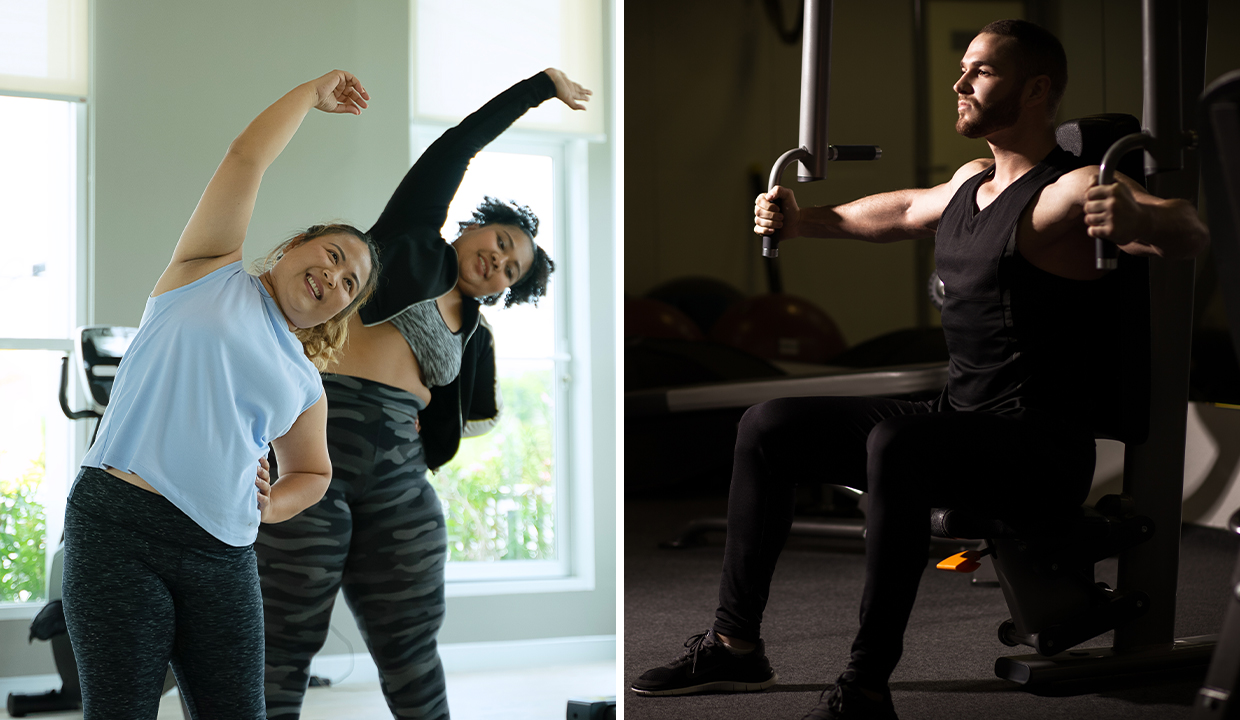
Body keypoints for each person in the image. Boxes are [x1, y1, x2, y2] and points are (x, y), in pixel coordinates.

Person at [630, 19, 1207, 720]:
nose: (960, 83)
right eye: (961, 68)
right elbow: (900, 210)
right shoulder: (972, 182)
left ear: (1036, 90)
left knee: (895, 444)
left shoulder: (1070, 187)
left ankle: (867, 685)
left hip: (1037, 449)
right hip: (961, 425)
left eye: (982, 72)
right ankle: (735, 645)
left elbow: (1186, 227)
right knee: (768, 424)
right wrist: (804, 220)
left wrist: (1135, 218)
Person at [256, 68, 590, 720]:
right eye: (500, 242)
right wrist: (541, 87)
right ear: (473, 229)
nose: (499, 260)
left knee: (410, 651)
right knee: (282, 641)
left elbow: (451, 424)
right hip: (309, 451)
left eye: (512, 267)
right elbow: (459, 143)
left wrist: (419, 441)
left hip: (397, 485)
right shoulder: (409, 240)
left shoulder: (477, 337)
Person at [60, 69, 380, 720]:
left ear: (340, 310)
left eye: (352, 282)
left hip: (221, 554)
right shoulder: (206, 271)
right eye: (334, 254)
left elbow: (314, 472)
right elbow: (247, 155)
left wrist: (273, 506)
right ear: (292, 248)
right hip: (118, 525)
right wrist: (309, 95)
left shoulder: (303, 380)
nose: (337, 276)